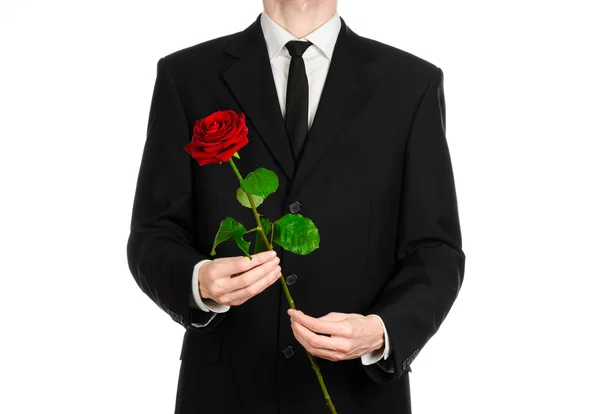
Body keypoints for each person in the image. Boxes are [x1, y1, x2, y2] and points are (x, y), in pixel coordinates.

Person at [126, 0, 466, 412]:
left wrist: (381, 331)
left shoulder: (411, 84)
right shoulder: (187, 76)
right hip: (225, 391)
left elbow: (435, 250)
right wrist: (197, 281)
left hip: (357, 391)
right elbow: (154, 233)